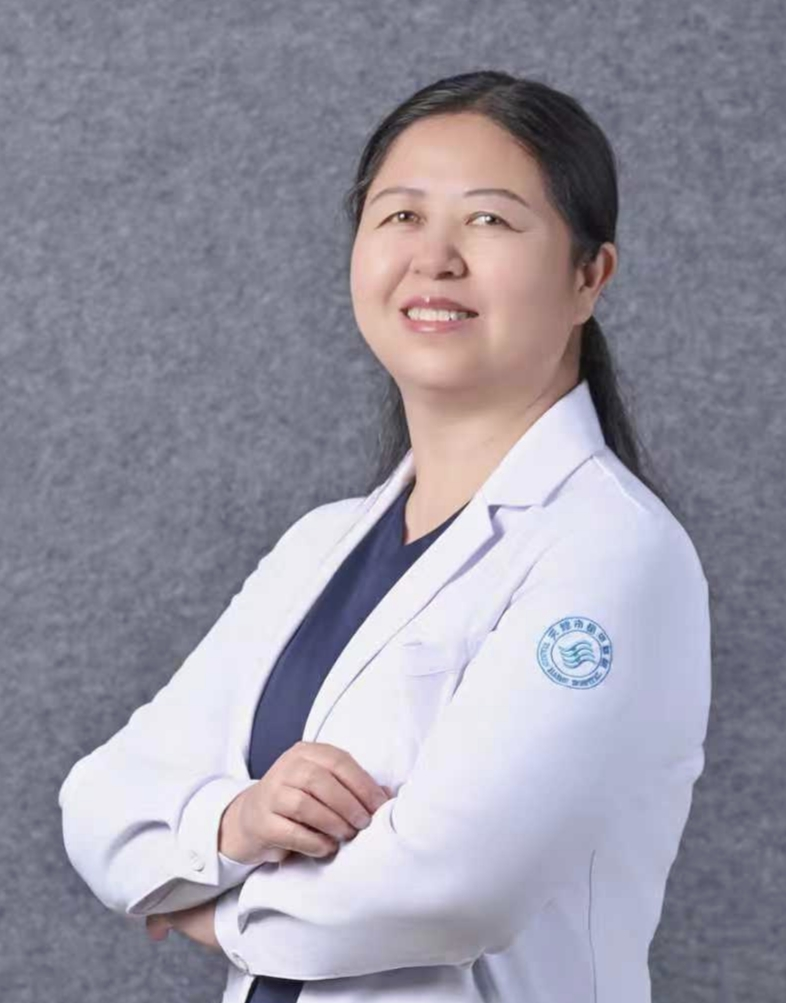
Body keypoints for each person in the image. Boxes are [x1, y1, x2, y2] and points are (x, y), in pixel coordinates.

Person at [58, 70, 711, 1003]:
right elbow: (102, 799)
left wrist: (217, 912)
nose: (433, 258)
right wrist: (234, 822)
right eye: (400, 215)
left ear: (587, 276)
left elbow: (451, 887)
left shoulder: (612, 552)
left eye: (489, 220)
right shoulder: (319, 546)